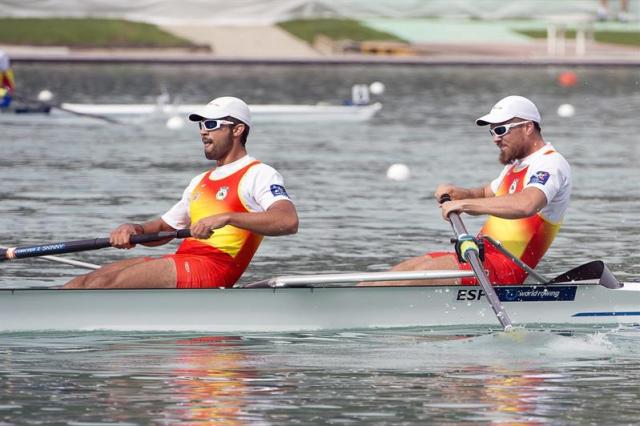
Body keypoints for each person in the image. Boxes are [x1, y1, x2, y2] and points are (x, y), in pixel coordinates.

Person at [64, 96, 299, 289]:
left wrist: (228, 217)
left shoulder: (259, 173)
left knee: (106, 283)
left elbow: (287, 221)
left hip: (214, 267)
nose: (203, 132)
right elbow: (166, 229)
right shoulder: (200, 181)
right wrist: (133, 228)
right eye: (201, 125)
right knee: (83, 282)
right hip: (184, 261)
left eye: (211, 125)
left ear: (237, 129)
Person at [362, 95, 571, 286]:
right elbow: (484, 193)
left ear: (527, 128)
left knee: (422, 273)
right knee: (399, 272)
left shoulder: (550, 163)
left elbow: (527, 204)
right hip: (478, 257)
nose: (495, 139)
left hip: (503, 272)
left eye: (501, 130)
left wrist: (465, 205)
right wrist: (460, 193)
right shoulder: (516, 166)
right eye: (492, 131)